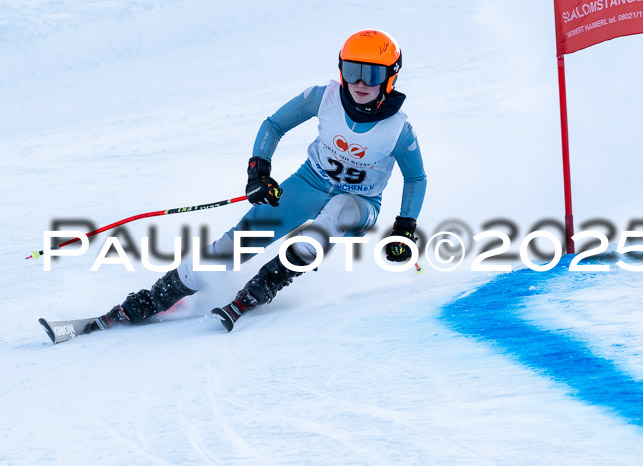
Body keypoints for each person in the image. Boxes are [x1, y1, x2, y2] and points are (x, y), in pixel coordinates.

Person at [89, 29, 427, 333]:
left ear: (390, 77)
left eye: (372, 74)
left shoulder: (398, 129)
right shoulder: (322, 97)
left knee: (333, 216)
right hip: (309, 183)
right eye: (352, 71)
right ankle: (153, 299)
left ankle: (262, 288)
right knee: (233, 246)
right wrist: (259, 172)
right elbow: (273, 125)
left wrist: (404, 227)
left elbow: (415, 177)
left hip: (360, 203)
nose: (361, 83)